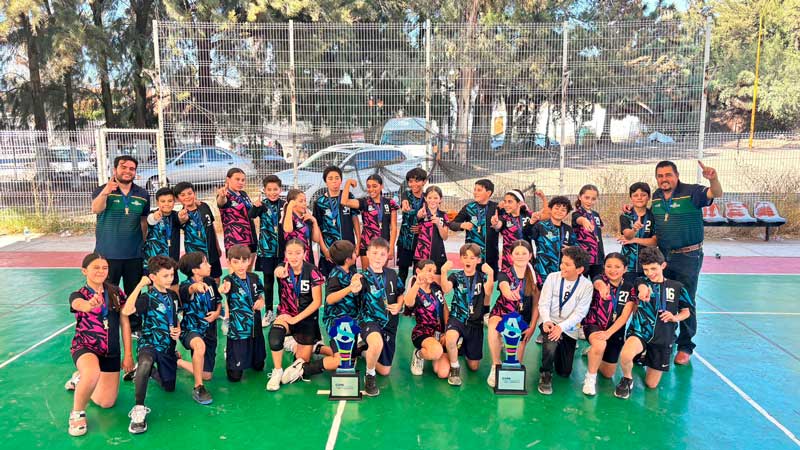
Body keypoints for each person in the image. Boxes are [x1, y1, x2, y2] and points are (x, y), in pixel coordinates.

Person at [650, 160, 721, 365]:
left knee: (686, 299)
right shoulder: (656, 197)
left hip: (688, 256)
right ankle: (667, 339)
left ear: (676, 175)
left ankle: (685, 345)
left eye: (668, 175)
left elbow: (716, 193)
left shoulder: (692, 192)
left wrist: (713, 178)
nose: (664, 179)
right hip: (663, 256)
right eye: (660, 176)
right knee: (665, 297)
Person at [65, 253, 133, 437]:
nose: (101, 271)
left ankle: (80, 380)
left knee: (107, 402)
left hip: (111, 351)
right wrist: (88, 305)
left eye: (105, 268)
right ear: (84, 271)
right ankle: (77, 413)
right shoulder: (79, 294)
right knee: (92, 372)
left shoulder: (116, 293)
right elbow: (78, 304)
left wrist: (128, 354)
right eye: (96, 267)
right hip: (86, 347)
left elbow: (125, 323)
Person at [615, 247, 693, 399]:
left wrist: (675, 317)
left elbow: (687, 312)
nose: (649, 273)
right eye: (646, 269)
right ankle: (627, 378)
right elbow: (641, 285)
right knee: (625, 356)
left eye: (653, 268)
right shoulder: (641, 281)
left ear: (663, 266)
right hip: (640, 332)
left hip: (663, 337)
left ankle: (646, 357)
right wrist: (643, 290)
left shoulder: (677, 287)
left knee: (651, 384)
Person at [281, 240, 364, 381]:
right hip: (338, 322)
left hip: (351, 321)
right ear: (348, 259)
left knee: (353, 354)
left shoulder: (351, 271)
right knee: (340, 361)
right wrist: (350, 288)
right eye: (354, 253)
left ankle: (317, 348)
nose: (357, 254)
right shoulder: (334, 276)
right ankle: (304, 369)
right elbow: (330, 299)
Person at [121, 256, 181, 434]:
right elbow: (126, 311)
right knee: (146, 361)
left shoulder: (172, 295)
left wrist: (177, 329)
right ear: (153, 277)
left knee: (169, 386)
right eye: (165, 276)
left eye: (171, 275)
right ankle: (139, 409)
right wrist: (140, 285)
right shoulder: (146, 298)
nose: (170, 279)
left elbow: (175, 316)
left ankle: (142, 371)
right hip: (149, 342)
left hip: (167, 346)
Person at [266, 239, 325, 391]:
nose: (294, 257)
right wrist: (277, 269)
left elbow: (317, 302)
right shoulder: (283, 269)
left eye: (298, 253)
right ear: (285, 255)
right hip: (286, 314)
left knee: (301, 361)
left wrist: (295, 319)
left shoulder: (312, 271)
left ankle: (307, 346)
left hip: (306, 320)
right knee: (274, 336)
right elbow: (277, 270)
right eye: (290, 253)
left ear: (305, 254)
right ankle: (277, 371)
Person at [536, 246, 593, 395]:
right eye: (562, 262)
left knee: (564, 371)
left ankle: (558, 349)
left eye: (567, 264)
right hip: (549, 321)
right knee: (550, 343)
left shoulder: (587, 286)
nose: (562, 266)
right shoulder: (552, 277)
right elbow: (543, 303)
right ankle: (546, 373)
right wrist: (547, 320)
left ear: (579, 269)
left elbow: (580, 313)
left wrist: (561, 327)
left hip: (569, 327)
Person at [91, 155, 149, 296]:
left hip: (134, 256)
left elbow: (143, 221)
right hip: (107, 255)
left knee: (134, 295)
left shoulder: (142, 194)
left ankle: (133, 319)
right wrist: (106, 191)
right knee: (108, 296)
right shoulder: (102, 190)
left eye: (132, 169)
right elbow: (96, 209)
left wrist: (142, 242)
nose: (128, 171)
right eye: (123, 167)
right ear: (114, 169)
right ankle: (111, 319)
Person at [580, 253, 637, 396]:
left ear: (625, 269)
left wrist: (609, 333)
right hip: (594, 324)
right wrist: (602, 288)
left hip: (615, 330)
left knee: (607, 373)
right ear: (604, 267)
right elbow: (597, 282)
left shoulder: (630, 287)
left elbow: (624, 316)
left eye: (617, 267)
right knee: (600, 344)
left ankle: (593, 352)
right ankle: (590, 379)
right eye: (609, 266)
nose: (613, 270)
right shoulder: (600, 280)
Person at [486, 240, 539, 388]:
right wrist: (510, 293)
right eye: (517, 253)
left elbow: (536, 304)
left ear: (530, 255)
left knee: (516, 362)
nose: (520, 256)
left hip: (522, 317)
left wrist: (532, 326)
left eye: (524, 253)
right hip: (503, 312)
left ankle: (507, 348)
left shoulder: (535, 275)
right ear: (511, 256)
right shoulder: (505, 273)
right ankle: (495, 364)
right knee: (493, 327)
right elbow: (504, 288)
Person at [440, 244, 494, 385]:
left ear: (478, 260)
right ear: (461, 259)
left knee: (474, 367)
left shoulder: (482, 277)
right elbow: (446, 289)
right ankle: (455, 367)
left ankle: (462, 346)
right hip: (458, 318)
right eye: (465, 257)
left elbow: (488, 292)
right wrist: (443, 271)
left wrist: (491, 274)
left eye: (472, 257)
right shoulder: (456, 276)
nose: (468, 260)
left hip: (475, 322)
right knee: (451, 338)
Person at [356, 238, 403, 396]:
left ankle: (364, 350)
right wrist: (354, 286)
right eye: (374, 253)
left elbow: (401, 293)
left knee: (385, 370)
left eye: (382, 254)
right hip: (370, 321)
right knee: (376, 343)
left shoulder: (392, 274)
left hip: (390, 323)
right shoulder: (362, 278)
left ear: (387, 257)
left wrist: (399, 305)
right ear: (367, 254)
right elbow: (355, 293)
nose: (378, 257)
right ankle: (369, 375)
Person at [177, 252, 222, 405]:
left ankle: (177, 361)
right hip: (191, 330)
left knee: (207, 374)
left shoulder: (210, 281)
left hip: (210, 331)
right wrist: (196, 286)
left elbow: (218, 301)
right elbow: (191, 289)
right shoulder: (184, 286)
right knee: (199, 345)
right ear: (195, 270)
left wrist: (216, 313)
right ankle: (198, 387)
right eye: (205, 263)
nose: (209, 265)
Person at [219, 245, 266, 382]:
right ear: (229, 262)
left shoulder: (255, 278)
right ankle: (231, 355)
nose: (240, 265)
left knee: (259, 367)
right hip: (238, 330)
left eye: (244, 261)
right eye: (236, 261)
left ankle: (254, 357)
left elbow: (260, 294)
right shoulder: (229, 280)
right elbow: (224, 287)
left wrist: (261, 300)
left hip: (255, 328)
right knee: (234, 377)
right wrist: (223, 288)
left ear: (249, 261)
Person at [249, 175, 287, 327]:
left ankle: (284, 310)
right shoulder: (262, 205)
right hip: (266, 251)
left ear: (281, 189)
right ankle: (269, 311)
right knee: (268, 282)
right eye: (269, 190)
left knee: (284, 282)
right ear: (264, 191)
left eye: (275, 189)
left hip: (283, 251)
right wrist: (255, 206)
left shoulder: (285, 204)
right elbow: (250, 215)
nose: (272, 192)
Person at [403, 260, 450, 379]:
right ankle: (419, 354)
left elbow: (445, 309)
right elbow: (408, 302)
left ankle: (432, 352)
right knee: (436, 352)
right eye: (428, 270)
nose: (432, 274)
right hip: (422, 332)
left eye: (434, 271)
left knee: (442, 373)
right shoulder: (416, 291)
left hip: (440, 333)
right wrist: (417, 284)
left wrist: (447, 331)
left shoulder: (436, 287)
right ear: (418, 271)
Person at [342, 176, 399, 269]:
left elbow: (394, 227)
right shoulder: (364, 202)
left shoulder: (390, 203)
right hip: (366, 244)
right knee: (367, 275)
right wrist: (348, 183)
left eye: (374, 186)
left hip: (384, 244)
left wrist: (391, 247)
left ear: (381, 186)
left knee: (381, 275)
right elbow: (344, 201)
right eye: (368, 186)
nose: (371, 189)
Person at [313, 166, 361, 277]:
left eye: (337, 178)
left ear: (341, 180)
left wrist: (358, 243)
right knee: (331, 280)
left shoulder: (348, 196)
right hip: (330, 249)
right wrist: (324, 249)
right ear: (325, 181)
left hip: (348, 247)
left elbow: (355, 220)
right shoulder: (319, 202)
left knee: (351, 279)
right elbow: (317, 228)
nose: (334, 181)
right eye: (330, 178)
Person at [449, 179, 501, 274]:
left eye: (479, 190)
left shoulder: (496, 208)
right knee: (473, 282)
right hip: (472, 256)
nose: (475, 192)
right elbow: (452, 224)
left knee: (490, 284)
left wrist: (497, 224)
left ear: (489, 193)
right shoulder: (469, 208)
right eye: (475, 190)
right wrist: (462, 225)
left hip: (491, 255)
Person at [174, 182, 223, 283]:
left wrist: (217, 246)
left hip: (211, 250)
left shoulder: (204, 206)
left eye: (189, 193)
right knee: (199, 281)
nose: (187, 197)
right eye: (182, 195)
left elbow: (211, 226)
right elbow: (180, 222)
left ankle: (215, 298)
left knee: (216, 280)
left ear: (194, 193)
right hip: (195, 255)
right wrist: (182, 219)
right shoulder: (181, 214)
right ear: (178, 199)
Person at [528, 195, 576, 287]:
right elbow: (527, 235)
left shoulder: (568, 229)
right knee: (542, 298)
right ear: (550, 209)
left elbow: (576, 246)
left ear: (566, 214)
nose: (559, 212)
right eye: (557, 208)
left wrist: (571, 249)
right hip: (542, 271)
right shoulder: (541, 226)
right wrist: (531, 222)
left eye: (563, 210)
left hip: (562, 271)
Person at [216, 168, 258, 269]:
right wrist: (222, 196)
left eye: (243, 180)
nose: (240, 182)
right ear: (228, 179)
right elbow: (221, 202)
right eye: (237, 179)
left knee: (248, 272)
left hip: (251, 237)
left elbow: (250, 213)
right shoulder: (225, 195)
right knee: (235, 274)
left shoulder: (244, 194)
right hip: (235, 241)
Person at [143, 187, 183, 286]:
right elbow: (150, 220)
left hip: (171, 263)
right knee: (155, 294)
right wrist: (155, 217)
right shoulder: (153, 214)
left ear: (174, 202)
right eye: (163, 201)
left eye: (170, 201)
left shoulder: (175, 216)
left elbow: (182, 219)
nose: (166, 204)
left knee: (174, 292)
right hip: (155, 264)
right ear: (157, 202)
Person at [618, 182, 657, 282]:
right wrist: (634, 230)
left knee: (646, 293)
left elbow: (654, 241)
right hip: (629, 264)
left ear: (648, 197)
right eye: (635, 195)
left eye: (643, 195)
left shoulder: (654, 216)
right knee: (629, 292)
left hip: (648, 263)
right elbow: (627, 235)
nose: (639, 198)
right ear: (631, 198)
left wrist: (635, 240)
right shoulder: (626, 216)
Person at [397, 168, 428, 283]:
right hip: (405, 241)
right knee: (402, 273)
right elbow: (405, 210)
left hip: (421, 242)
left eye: (417, 181)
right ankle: (398, 298)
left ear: (424, 181)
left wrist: (422, 227)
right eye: (410, 181)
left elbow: (432, 218)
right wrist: (417, 215)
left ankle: (415, 299)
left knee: (418, 273)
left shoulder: (428, 198)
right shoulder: (406, 195)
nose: (413, 184)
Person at [412, 186, 450, 272]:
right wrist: (418, 217)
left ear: (440, 199)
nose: (432, 200)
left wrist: (438, 224)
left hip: (438, 253)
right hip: (421, 254)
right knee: (419, 281)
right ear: (425, 198)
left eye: (436, 198)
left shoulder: (443, 215)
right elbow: (412, 226)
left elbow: (445, 237)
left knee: (438, 281)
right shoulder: (421, 213)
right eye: (430, 198)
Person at [282, 189, 323, 265]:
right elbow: (288, 229)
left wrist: (314, 221)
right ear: (292, 203)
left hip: (308, 257)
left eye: (305, 201)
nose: (304, 204)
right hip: (294, 259)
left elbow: (316, 239)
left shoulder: (306, 218)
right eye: (301, 201)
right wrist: (289, 207)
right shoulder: (289, 218)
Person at [572, 184, 605, 279]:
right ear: (580, 197)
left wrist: (602, 255)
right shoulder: (577, 213)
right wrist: (584, 221)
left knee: (598, 283)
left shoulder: (596, 215)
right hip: (584, 258)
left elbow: (598, 236)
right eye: (587, 198)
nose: (589, 201)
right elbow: (578, 219)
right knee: (582, 285)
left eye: (593, 199)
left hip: (598, 259)